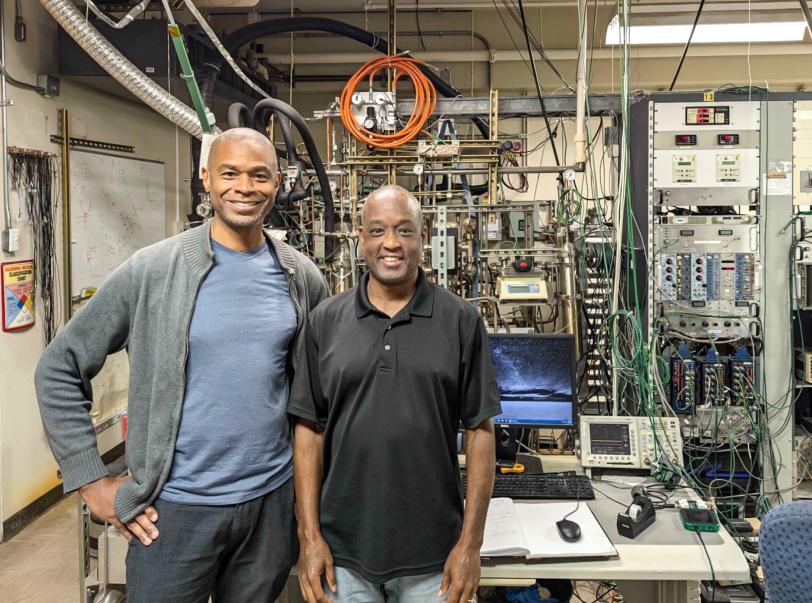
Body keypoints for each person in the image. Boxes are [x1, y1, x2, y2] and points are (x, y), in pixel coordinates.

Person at [35, 127, 329, 603]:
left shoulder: (301, 277)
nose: (244, 188)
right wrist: (90, 479)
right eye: (230, 173)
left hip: (270, 508)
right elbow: (59, 366)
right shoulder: (153, 270)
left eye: (259, 176)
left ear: (278, 183)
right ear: (206, 178)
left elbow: (317, 394)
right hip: (173, 513)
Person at [289, 184, 500, 603]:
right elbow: (308, 431)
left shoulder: (461, 320)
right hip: (342, 554)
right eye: (378, 230)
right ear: (361, 238)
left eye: (404, 231)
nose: (391, 243)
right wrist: (309, 537)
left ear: (424, 237)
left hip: (434, 557)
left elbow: (480, 431)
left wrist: (469, 545)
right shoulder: (324, 321)